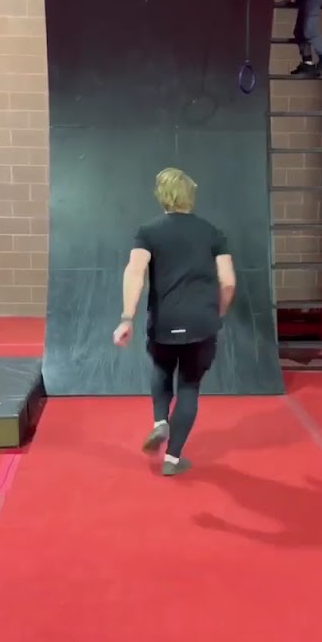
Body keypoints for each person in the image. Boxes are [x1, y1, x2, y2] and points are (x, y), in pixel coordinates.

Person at [113, 168, 236, 476]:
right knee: (190, 386)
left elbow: (135, 272)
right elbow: (228, 282)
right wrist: (218, 312)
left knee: (161, 368)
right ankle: (172, 459)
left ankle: (160, 421)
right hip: (201, 322)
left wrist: (127, 318)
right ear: (190, 195)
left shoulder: (148, 231)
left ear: (162, 196)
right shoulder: (212, 232)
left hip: (165, 321)